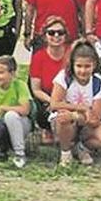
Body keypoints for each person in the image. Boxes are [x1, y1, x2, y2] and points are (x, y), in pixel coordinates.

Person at [50, 40, 101, 167]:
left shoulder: (98, 83)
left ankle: (82, 147)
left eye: (87, 66)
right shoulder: (64, 77)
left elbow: (95, 119)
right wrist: (81, 108)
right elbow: (54, 104)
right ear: (73, 65)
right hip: (65, 121)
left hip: (86, 124)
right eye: (79, 66)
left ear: (94, 65)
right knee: (63, 117)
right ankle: (66, 152)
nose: (83, 70)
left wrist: (76, 116)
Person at [0, 56, 32, 168]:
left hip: (20, 123)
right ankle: (4, 148)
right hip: (0, 126)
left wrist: (4, 108)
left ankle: (19, 153)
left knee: (11, 115)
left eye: (1, 72)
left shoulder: (20, 85)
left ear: (12, 73)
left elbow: (25, 110)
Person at [28, 16, 71, 144]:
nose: (56, 36)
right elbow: (36, 89)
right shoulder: (38, 57)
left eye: (60, 32)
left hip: (70, 98)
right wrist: (53, 102)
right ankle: (47, 128)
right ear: (45, 36)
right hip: (47, 99)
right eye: (51, 32)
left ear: (66, 35)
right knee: (39, 109)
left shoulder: (72, 53)